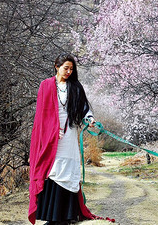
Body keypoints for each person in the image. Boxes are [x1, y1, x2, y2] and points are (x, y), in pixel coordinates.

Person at [28, 54, 114, 224]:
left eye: (71, 69)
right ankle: (52, 217)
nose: (68, 71)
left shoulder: (75, 87)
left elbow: (83, 108)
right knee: (52, 171)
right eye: (65, 68)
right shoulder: (45, 85)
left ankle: (67, 215)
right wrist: (51, 132)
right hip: (50, 137)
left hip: (68, 134)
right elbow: (40, 116)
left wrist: (89, 120)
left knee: (67, 170)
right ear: (56, 66)